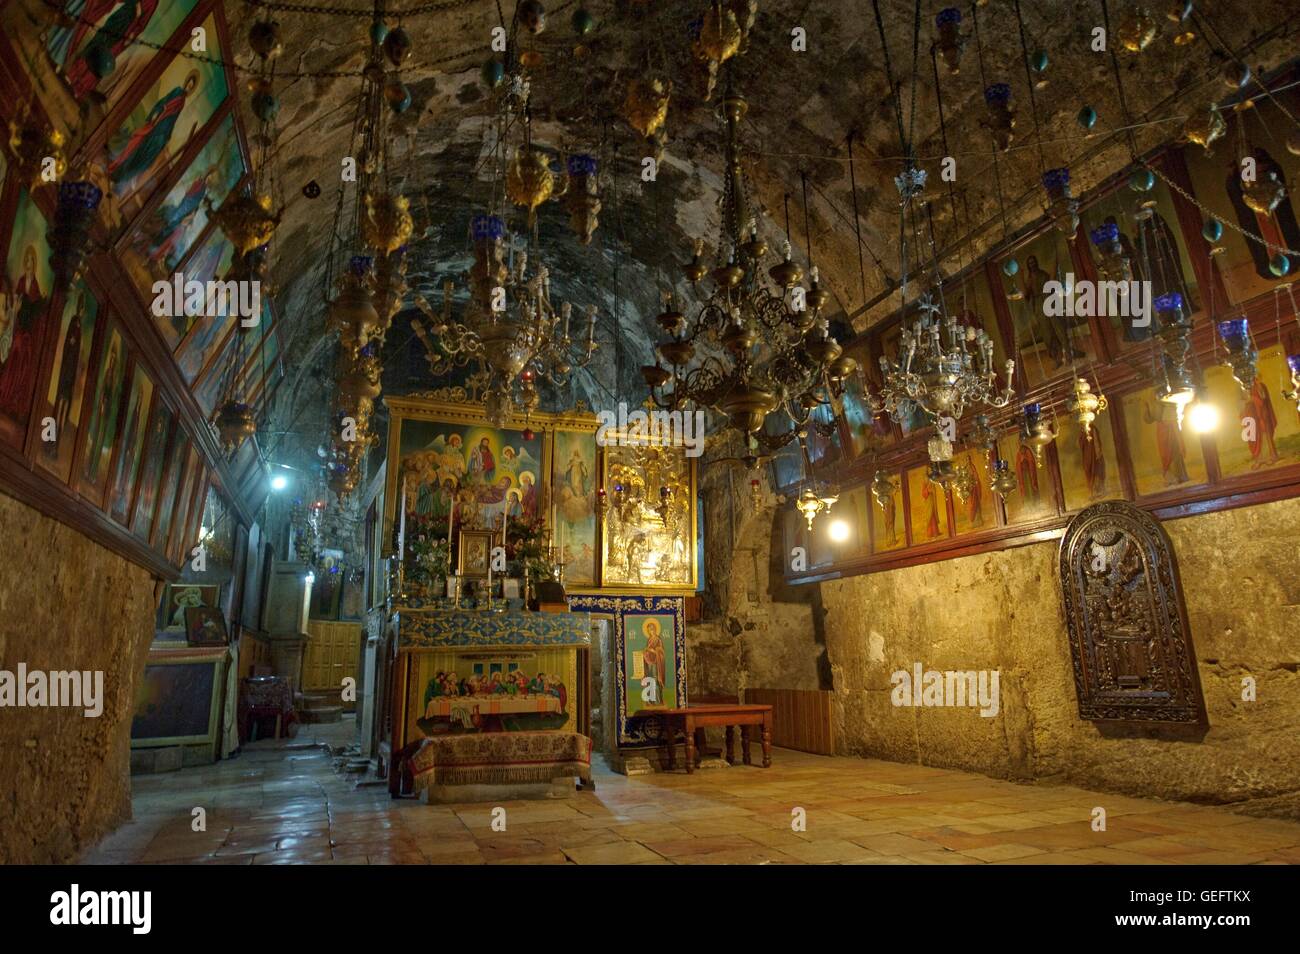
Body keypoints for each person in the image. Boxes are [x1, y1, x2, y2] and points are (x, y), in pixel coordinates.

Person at [108, 70, 200, 191]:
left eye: (191, 87)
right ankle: (117, 173)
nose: (188, 87)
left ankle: (122, 177)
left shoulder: (182, 102)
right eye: (189, 84)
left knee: (146, 159)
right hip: (157, 125)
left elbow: (174, 118)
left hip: (164, 131)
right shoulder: (178, 91)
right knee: (137, 148)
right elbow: (164, 102)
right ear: (186, 83)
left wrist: (168, 135)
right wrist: (156, 114)